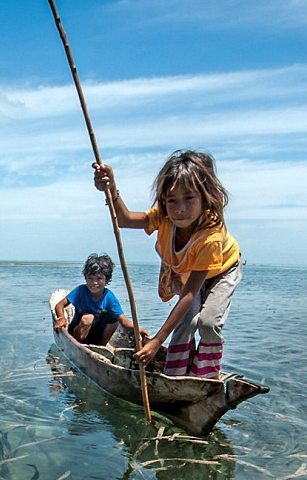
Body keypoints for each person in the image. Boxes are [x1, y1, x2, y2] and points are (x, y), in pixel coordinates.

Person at [93, 151, 241, 378]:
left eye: (189, 198)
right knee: (184, 323)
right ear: (164, 201)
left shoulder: (210, 236)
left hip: (222, 270)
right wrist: (111, 187)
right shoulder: (164, 217)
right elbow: (123, 219)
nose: (180, 208)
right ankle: (175, 375)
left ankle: (206, 377)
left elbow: (189, 294)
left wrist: (157, 340)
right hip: (189, 271)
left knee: (208, 323)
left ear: (205, 196)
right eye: (172, 200)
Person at [53, 253, 144, 346]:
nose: (94, 283)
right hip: (77, 333)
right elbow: (60, 305)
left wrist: (138, 330)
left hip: (97, 336)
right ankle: (77, 345)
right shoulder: (81, 291)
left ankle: (101, 346)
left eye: (99, 278)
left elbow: (124, 321)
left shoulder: (109, 297)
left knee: (114, 318)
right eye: (90, 278)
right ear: (86, 278)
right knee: (88, 318)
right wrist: (62, 318)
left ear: (107, 280)